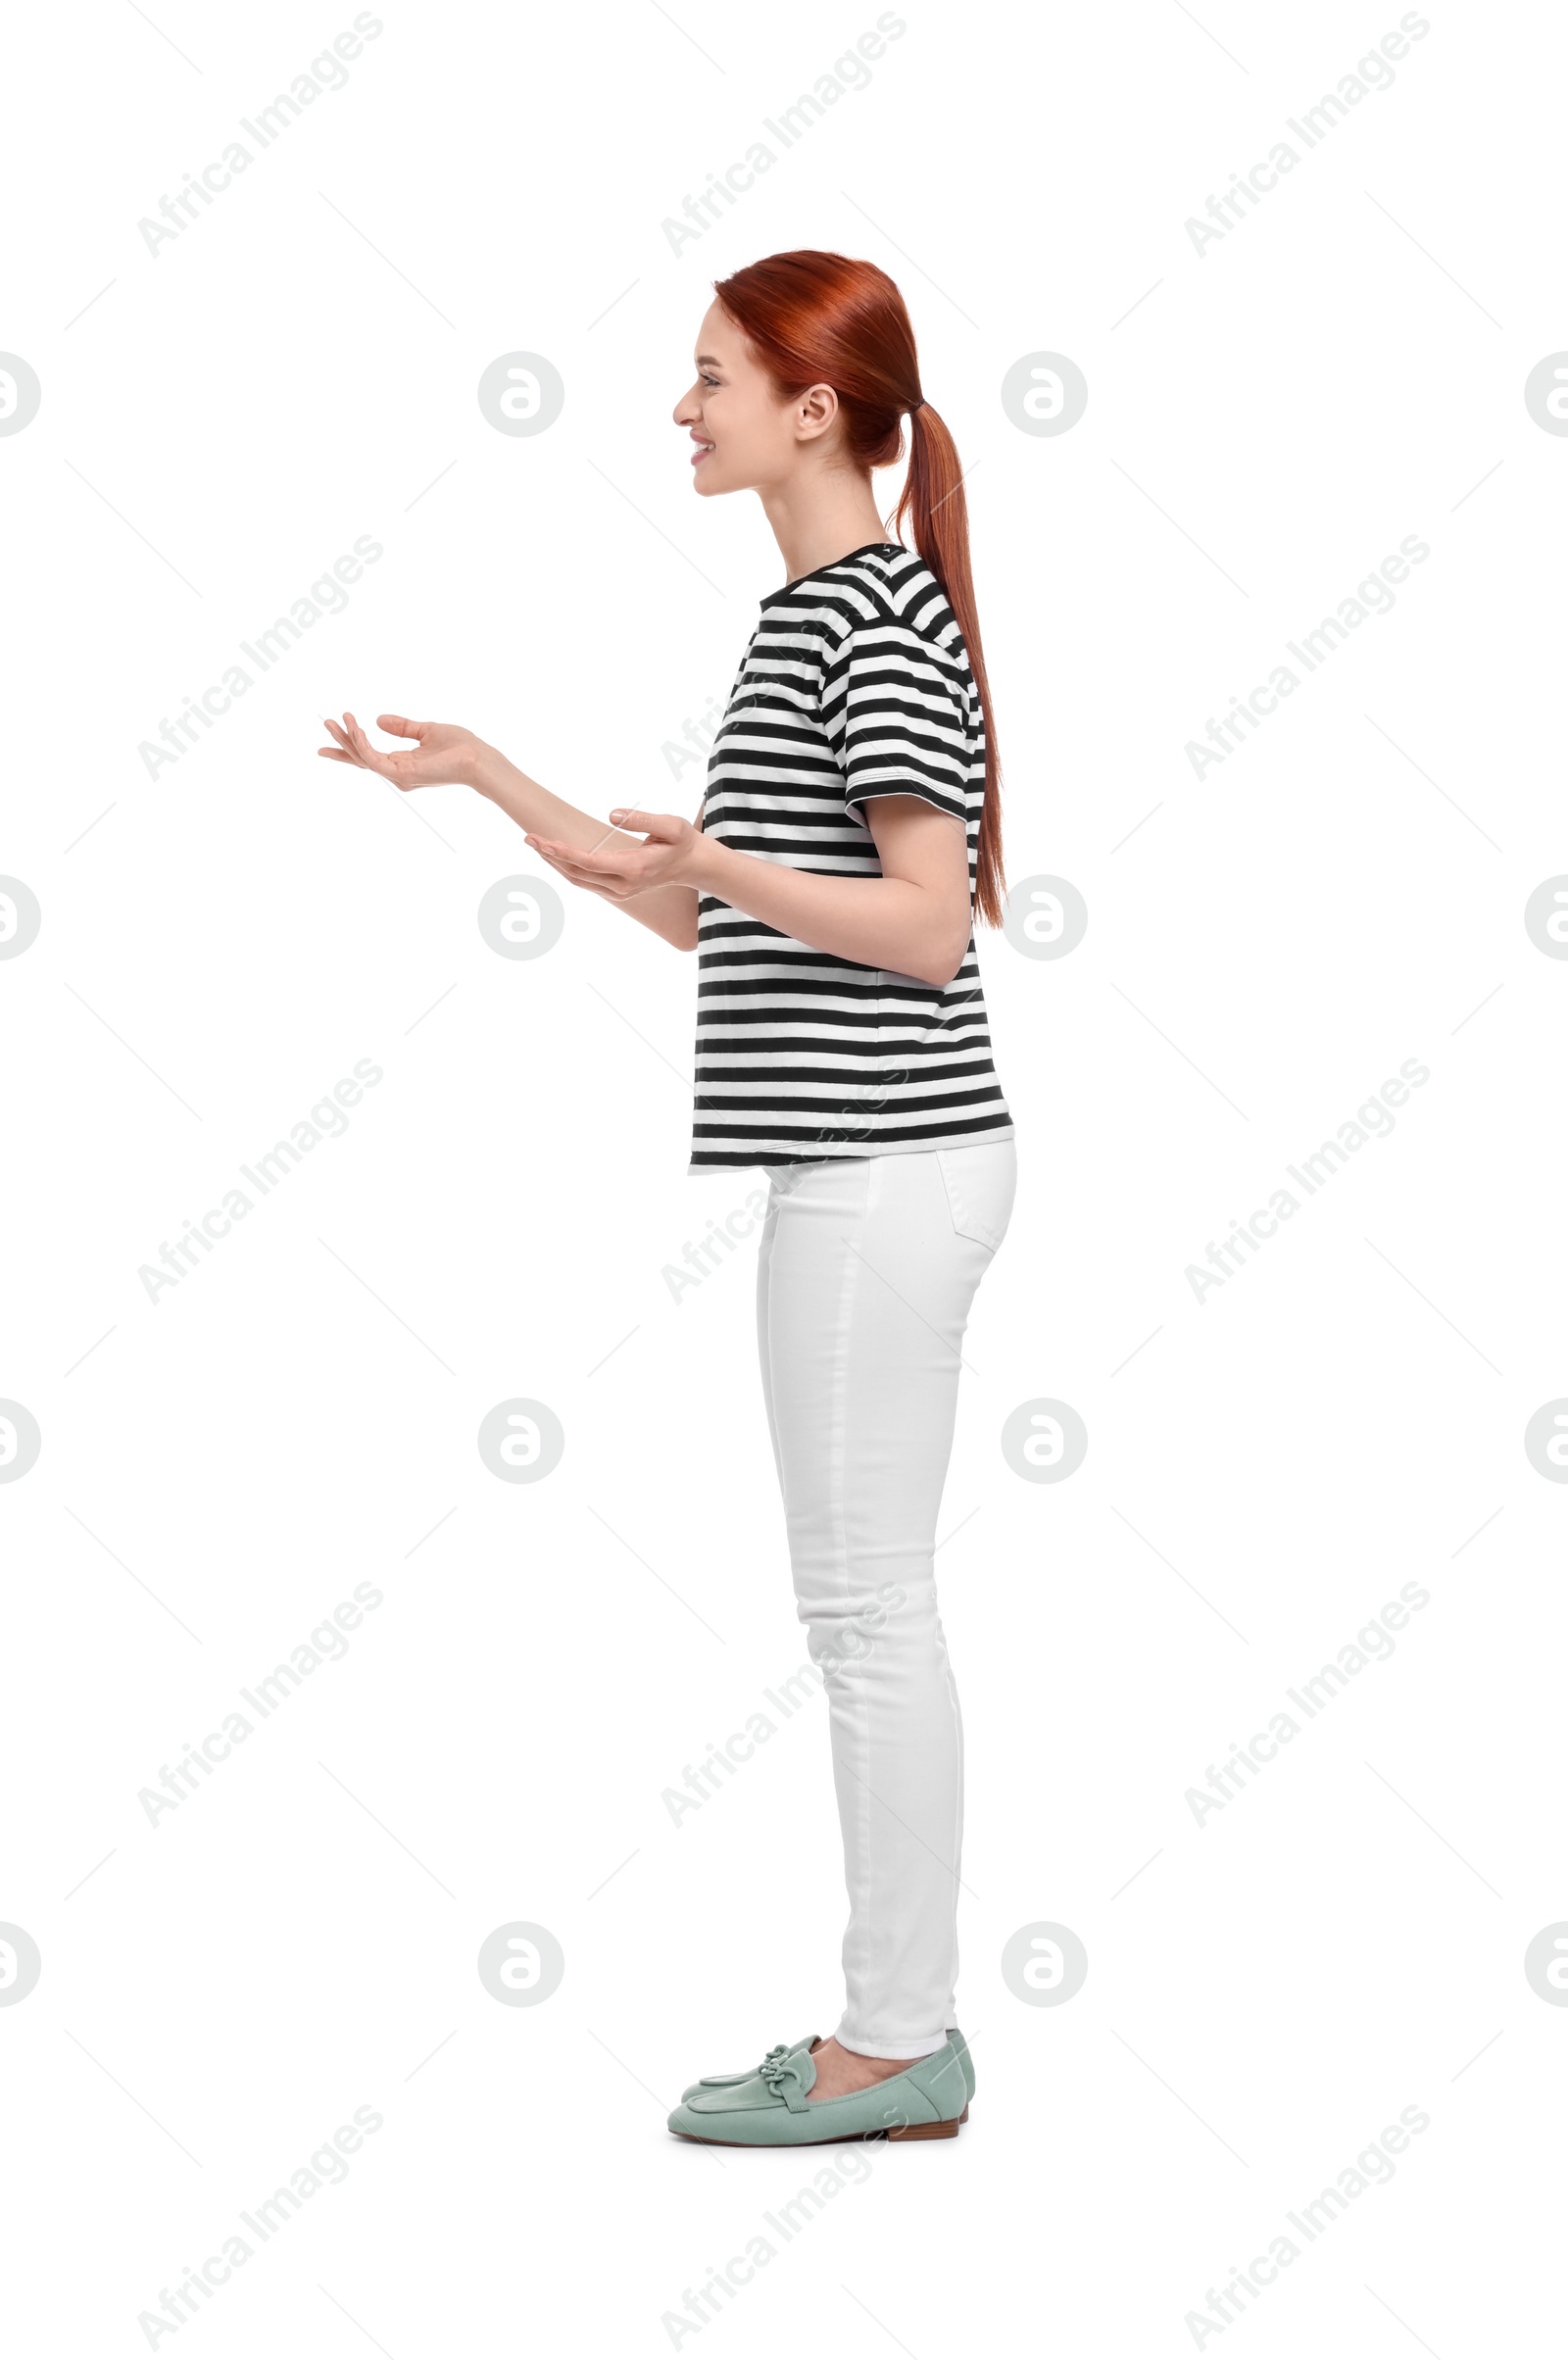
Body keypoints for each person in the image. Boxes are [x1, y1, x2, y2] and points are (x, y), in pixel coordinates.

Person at [318, 249, 1016, 2147]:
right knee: (863, 1604)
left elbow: (925, 924)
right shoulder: (807, 617)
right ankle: (896, 2028)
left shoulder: (869, 618)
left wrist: (722, 860)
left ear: (813, 403)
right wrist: (485, 781)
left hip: (885, 1172)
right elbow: (703, 917)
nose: (680, 407)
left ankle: (896, 2038)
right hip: (854, 1168)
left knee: (866, 1610)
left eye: (709, 374)